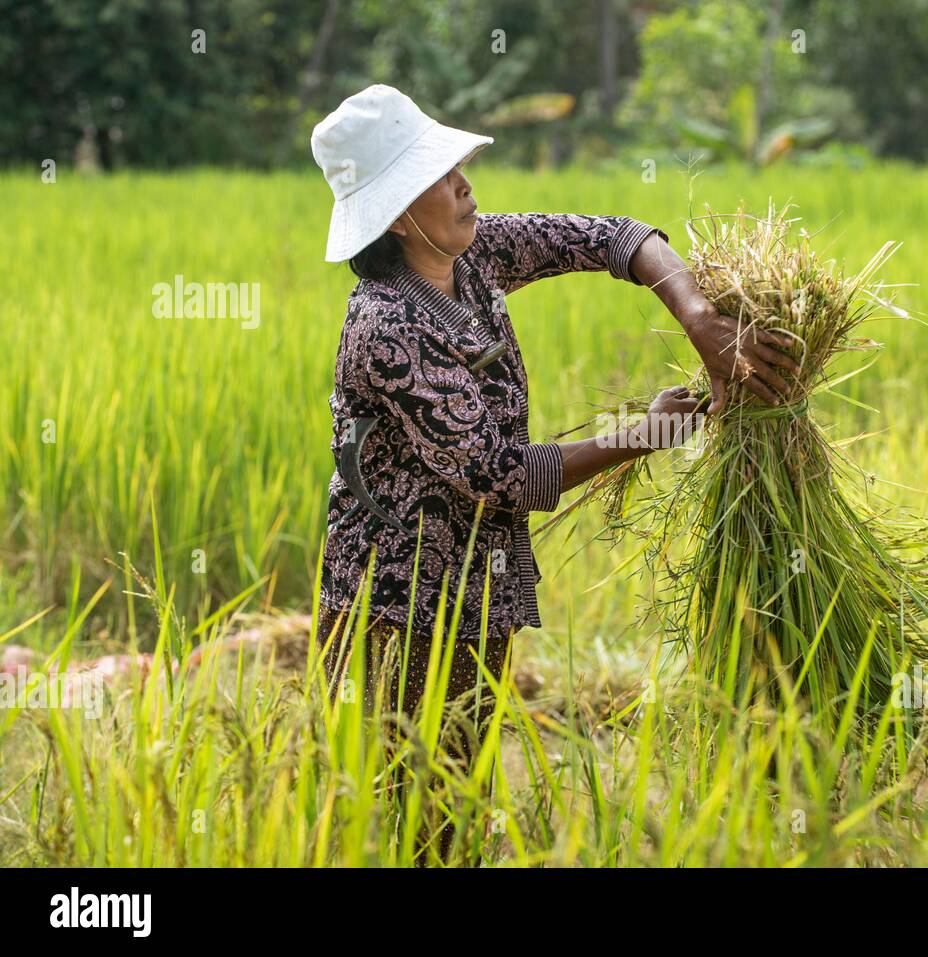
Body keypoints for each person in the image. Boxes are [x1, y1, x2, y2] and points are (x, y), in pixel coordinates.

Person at [308, 84, 798, 864]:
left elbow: (612, 237)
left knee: (460, 790)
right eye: (441, 175)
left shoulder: (471, 258)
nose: (466, 182)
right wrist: (648, 433)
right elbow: (498, 475)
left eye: (458, 165)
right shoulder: (387, 326)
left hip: (475, 579)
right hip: (398, 601)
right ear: (399, 213)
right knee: (419, 804)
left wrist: (701, 318)